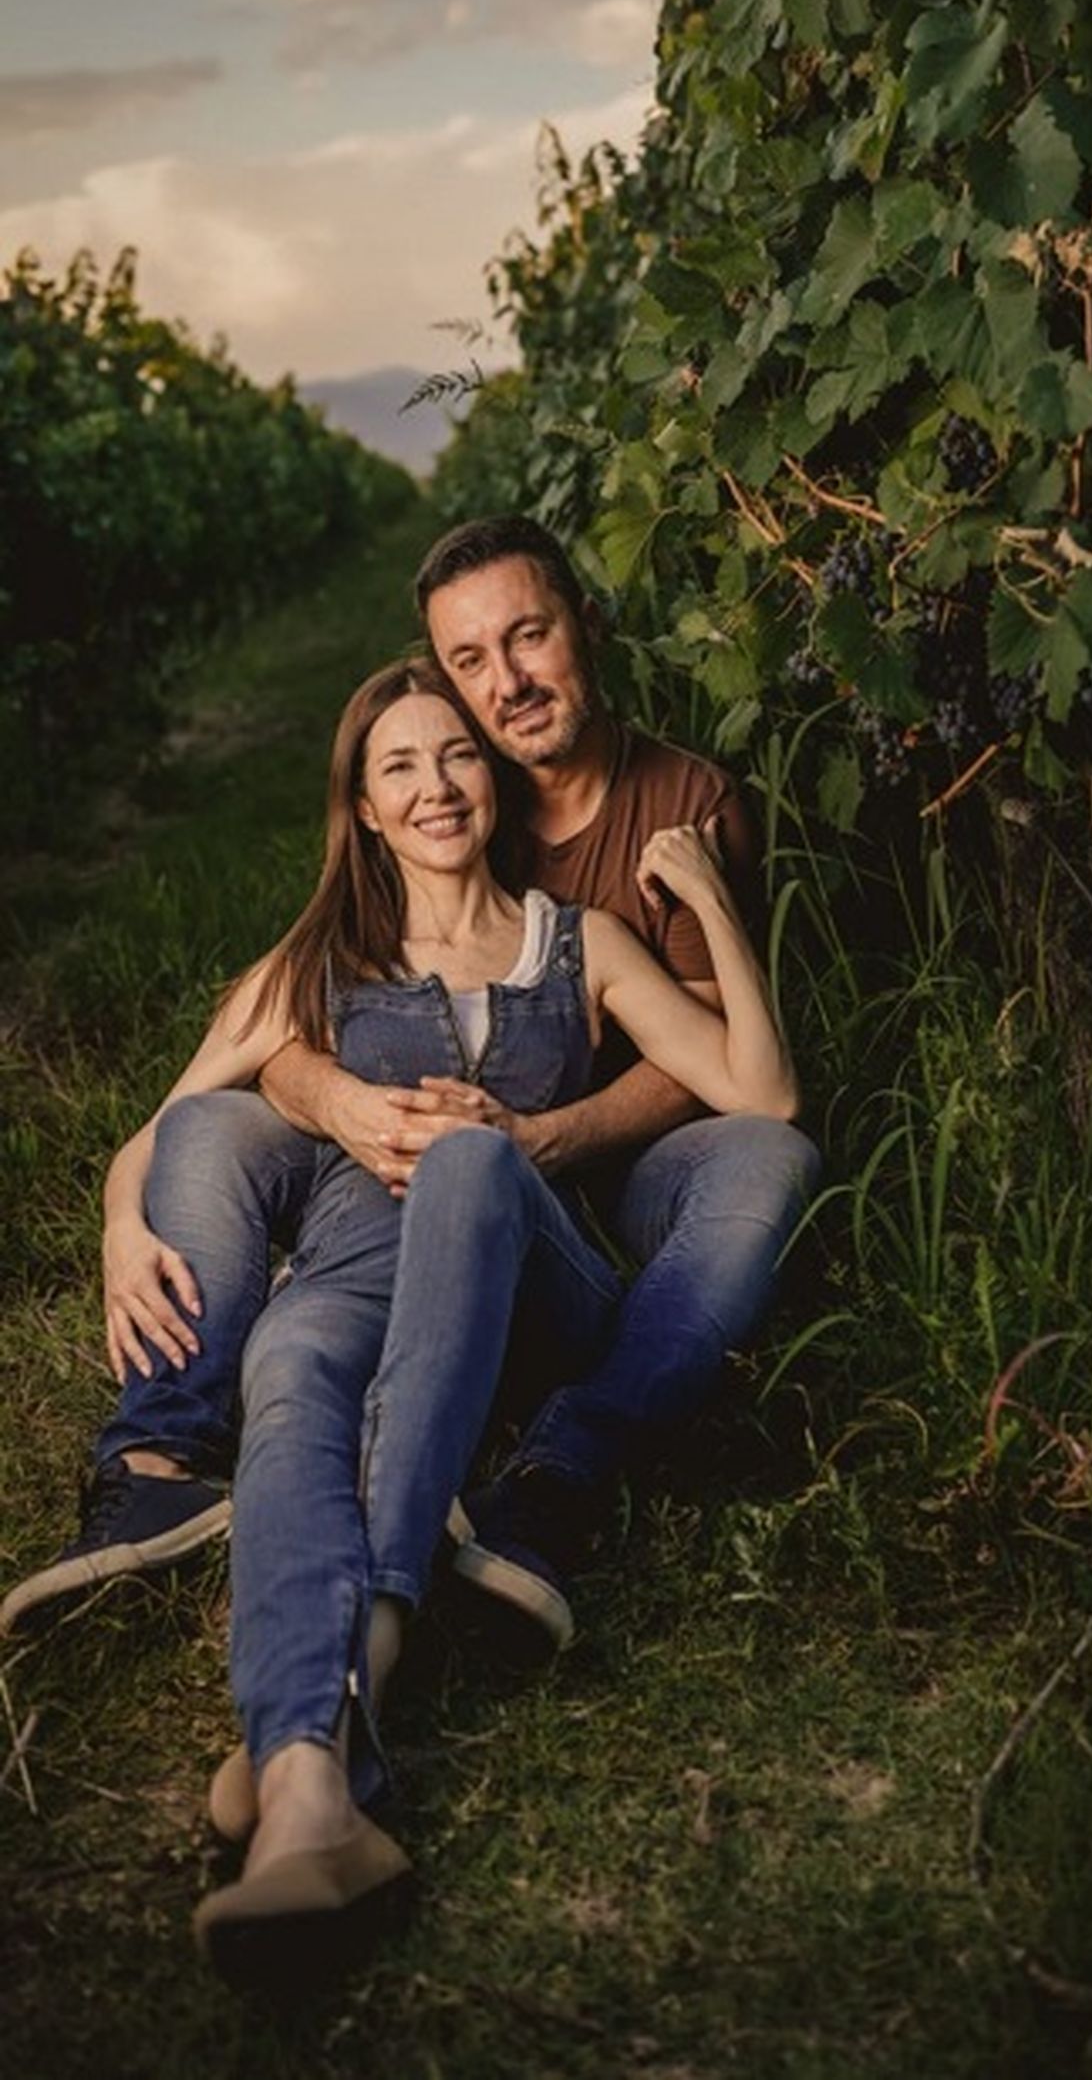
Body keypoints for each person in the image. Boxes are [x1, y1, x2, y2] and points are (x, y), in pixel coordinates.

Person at [66, 653, 794, 1975]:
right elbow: (165, 1124)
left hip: (530, 1290)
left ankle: (370, 1656)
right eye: (399, 765)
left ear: (489, 775)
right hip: (358, 1280)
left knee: (467, 1163)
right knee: (289, 1358)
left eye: (455, 752)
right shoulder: (318, 965)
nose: (437, 784)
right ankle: (304, 1785)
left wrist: (707, 900)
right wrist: (126, 1224)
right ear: (364, 806)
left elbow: (764, 1092)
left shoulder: (579, 941)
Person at [1, 516, 821, 1650]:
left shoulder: (677, 813)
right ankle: (159, 1454)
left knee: (769, 1155)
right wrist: (156, 1196)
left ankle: (565, 1464)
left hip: (607, 1171)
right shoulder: (436, 817)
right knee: (212, 1129)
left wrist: (536, 1138)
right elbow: (300, 1006)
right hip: (410, 1177)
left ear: (585, 625)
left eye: (528, 637)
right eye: (469, 663)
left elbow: (734, 1077)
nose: (506, 685)